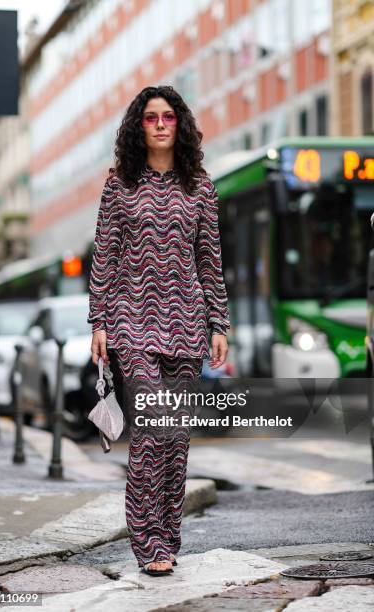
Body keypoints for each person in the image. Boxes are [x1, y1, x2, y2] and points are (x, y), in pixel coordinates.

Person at [87, 85, 230, 576]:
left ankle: (169, 536)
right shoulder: (119, 185)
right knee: (151, 431)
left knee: (176, 435)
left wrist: (218, 323)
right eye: (152, 118)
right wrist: (99, 321)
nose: (162, 124)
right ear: (138, 127)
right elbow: (104, 256)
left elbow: (210, 261)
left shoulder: (201, 187)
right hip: (131, 323)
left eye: (169, 116)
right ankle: (147, 542)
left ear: (181, 124)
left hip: (188, 324)